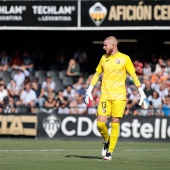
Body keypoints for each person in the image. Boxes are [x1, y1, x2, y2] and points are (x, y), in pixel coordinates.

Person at [84, 36, 150, 161]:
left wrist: (142, 93)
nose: (103, 47)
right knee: (100, 124)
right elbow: (97, 73)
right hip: (105, 96)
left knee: (115, 124)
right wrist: (89, 89)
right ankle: (107, 140)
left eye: (105, 45)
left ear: (112, 45)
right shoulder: (104, 58)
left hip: (119, 97)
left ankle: (110, 152)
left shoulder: (125, 58)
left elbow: (134, 75)